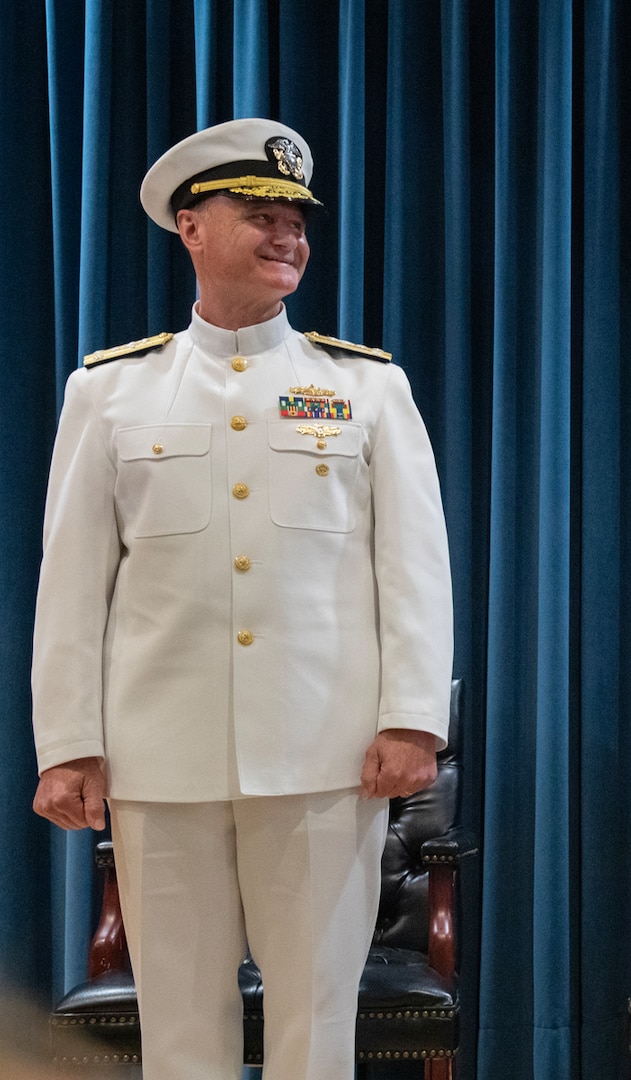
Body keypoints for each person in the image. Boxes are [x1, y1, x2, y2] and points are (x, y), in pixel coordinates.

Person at [30, 118, 454, 1079]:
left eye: (298, 220)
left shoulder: (366, 388)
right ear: (191, 227)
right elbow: (73, 582)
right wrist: (69, 745)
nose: (287, 236)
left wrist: (412, 722)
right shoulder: (109, 392)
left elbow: (415, 569)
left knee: (316, 1022)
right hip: (159, 761)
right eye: (259, 214)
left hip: (323, 756)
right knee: (179, 1029)